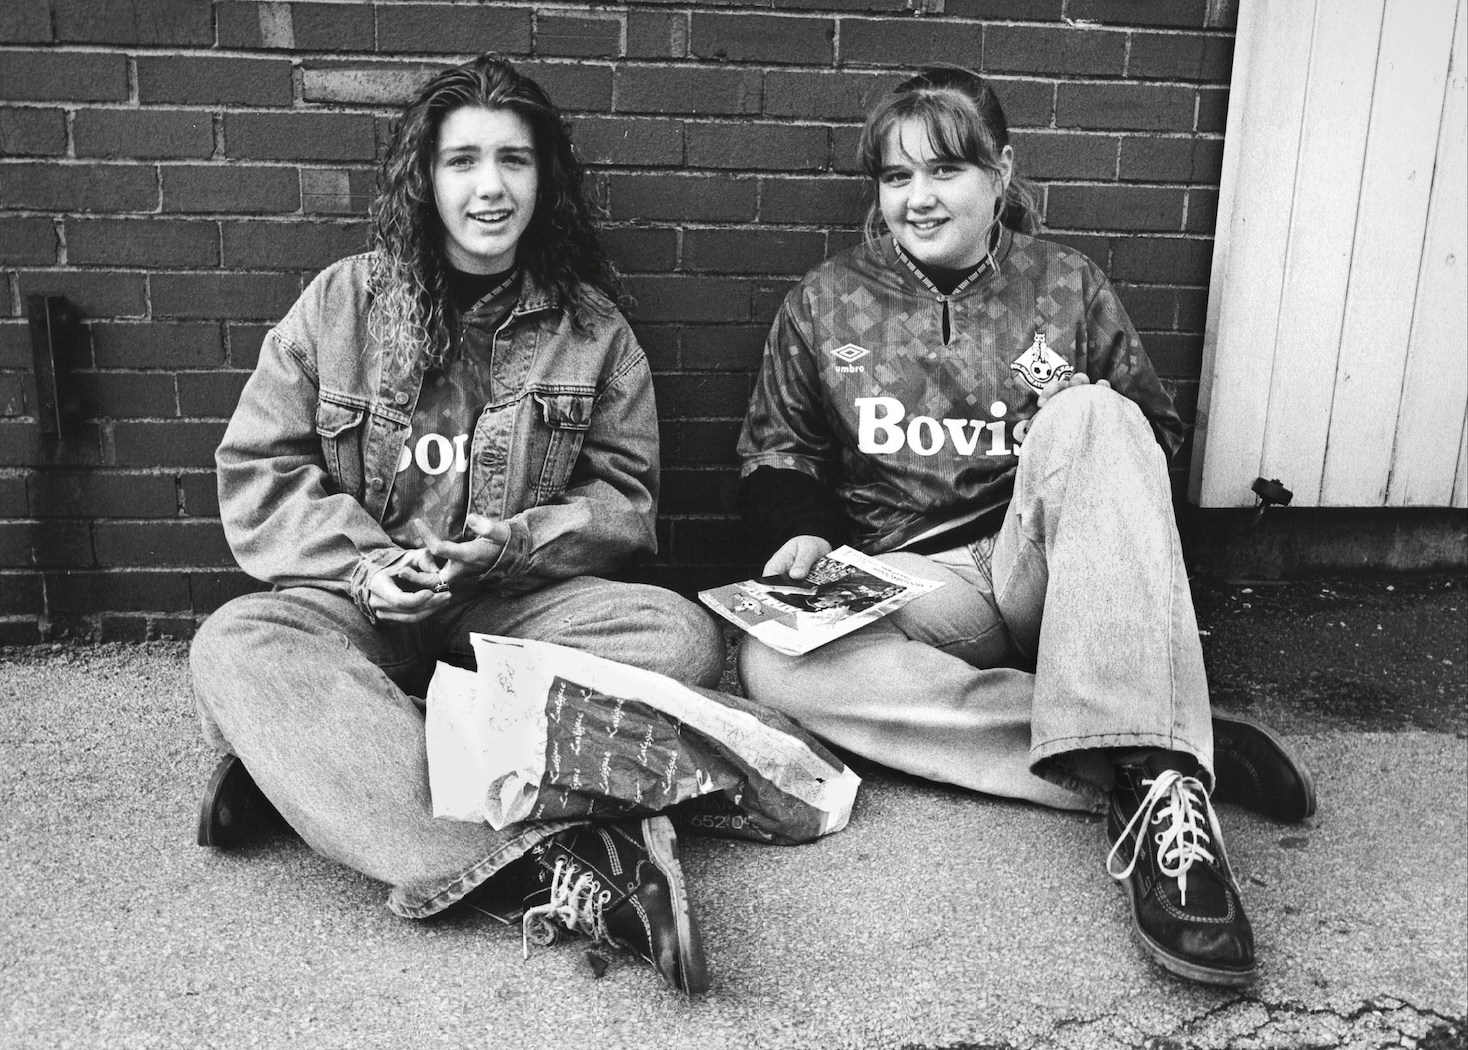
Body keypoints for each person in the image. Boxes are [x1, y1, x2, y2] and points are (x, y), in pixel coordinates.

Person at [735, 66, 1316, 988]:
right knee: (773, 662)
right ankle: (1149, 757)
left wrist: (1080, 424)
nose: (919, 199)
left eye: (946, 171)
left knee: (1097, 416)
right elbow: (779, 451)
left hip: (1045, 561)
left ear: (1001, 171)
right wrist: (800, 531)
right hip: (923, 587)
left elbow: (1152, 441)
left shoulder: (1068, 285)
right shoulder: (824, 300)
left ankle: (1163, 791)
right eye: (896, 178)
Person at [189, 55, 729, 995]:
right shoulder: (340, 303)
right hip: (356, 608)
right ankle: (549, 852)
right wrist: (365, 567)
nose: (491, 188)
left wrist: (509, 545)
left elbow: (624, 501)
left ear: (544, 178)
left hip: (503, 621)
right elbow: (258, 469)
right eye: (463, 162)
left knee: (679, 637)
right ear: (424, 179)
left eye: (515, 161)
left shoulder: (594, 332)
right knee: (237, 644)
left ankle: (325, 771)